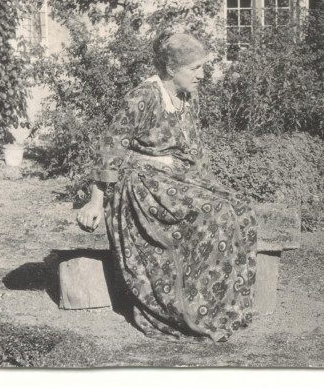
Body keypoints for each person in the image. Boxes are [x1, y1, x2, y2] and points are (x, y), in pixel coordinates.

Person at [76, 32, 257, 342]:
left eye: (203, 67)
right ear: (172, 68)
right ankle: (188, 310)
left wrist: (207, 183)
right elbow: (112, 146)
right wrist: (95, 201)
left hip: (176, 178)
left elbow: (194, 150)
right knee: (211, 213)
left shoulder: (186, 97)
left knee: (241, 208)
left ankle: (223, 307)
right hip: (142, 182)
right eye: (195, 68)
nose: (203, 75)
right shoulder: (144, 96)